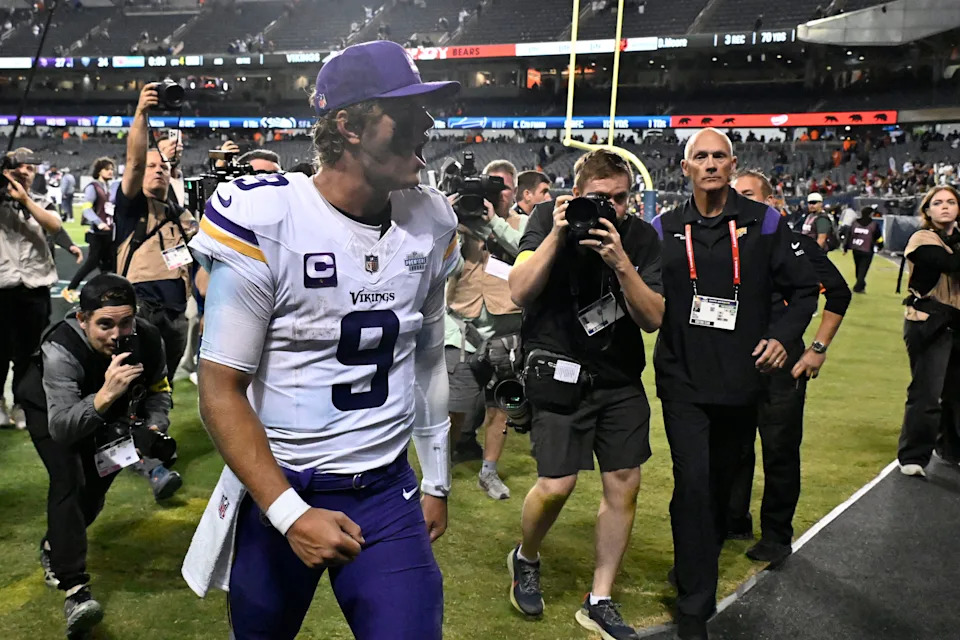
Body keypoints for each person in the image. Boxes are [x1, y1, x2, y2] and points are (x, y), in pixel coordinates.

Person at [181, 40, 460, 640]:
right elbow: (219, 387)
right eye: (405, 113)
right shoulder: (270, 218)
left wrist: (436, 479)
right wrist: (288, 513)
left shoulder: (432, 221)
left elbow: (428, 358)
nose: (427, 126)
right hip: (281, 482)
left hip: (386, 488)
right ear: (348, 126)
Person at [651, 129, 819, 640]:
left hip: (742, 380)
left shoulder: (764, 222)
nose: (710, 163)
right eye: (700, 156)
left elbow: (804, 289)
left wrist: (783, 338)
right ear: (685, 168)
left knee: (720, 487)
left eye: (718, 156)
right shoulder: (663, 227)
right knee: (692, 482)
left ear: (732, 163)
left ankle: (694, 562)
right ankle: (694, 606)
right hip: (682, 378)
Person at [507, 149, 665, 640]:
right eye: (599, 198)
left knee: (625, 482)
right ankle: (526, 556)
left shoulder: (640, 237)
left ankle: (600, 598)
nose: (610, 208)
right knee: (556, 485)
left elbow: (653, 318)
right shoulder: (546, 218)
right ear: (575, 194)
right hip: (558, 374)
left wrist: (621, 262)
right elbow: (519, 291)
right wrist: (557, 234)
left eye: (620, 198)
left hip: (618, 378)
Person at [15, 274, 173, 638]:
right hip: (50, 411)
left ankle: (54, 545)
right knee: (69, 477)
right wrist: (105, 396)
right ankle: (75, 590)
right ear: (82, 319)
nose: (117, 334)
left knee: (96, 486)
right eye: (105, 325)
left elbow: (159, 390)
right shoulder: (60, 348)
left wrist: (153, 427)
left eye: (126, 322)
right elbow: (63, 428)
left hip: (107, 407)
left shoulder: (148, 338)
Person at [727, 169, 851, 565]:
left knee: (779, 450)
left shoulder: (796, 244)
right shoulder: (724, 244)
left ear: (770, 202)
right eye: (734, 195)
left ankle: (776, 536)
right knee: (733, 446)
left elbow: (838, 293)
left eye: (748, 194)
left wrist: (817, 349)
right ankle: (734, 520)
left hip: (782, 365)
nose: (739, 202)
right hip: (734, 364)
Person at [444, 159, 525, 500]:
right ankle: (441, 472)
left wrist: (495, 224)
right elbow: (439, 263)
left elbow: (528, 253)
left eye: (501, 188)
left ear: (514, 191)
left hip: (506, 331)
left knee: (500, 408)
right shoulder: (457, 223)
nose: (495, 195)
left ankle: (488, 473)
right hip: (461, 330)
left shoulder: (523, 225)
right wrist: (448, 221)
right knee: (454, 409)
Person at [115, 83, 197, 394]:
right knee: (132, 386)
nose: (157, 170)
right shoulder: (132, 207)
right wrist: (140, 114)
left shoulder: (178, 213)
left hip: (176, 312)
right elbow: (135, 163)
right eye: (152, 166)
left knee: (163, 388)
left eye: (163, 166)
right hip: (140, 308)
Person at [0, 148, 66, 430]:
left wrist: (24, 200)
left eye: (30, 168)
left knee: (28, 354)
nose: (24, 173)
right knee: (0, 351)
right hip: (3, 286)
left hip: (34, 288)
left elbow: (54, 226)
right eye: (18, 168)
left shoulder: (42, 201)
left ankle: (21, 403)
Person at [897, 185, 960, 477]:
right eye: (937, 202)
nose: (944, 206)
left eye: (951, 201)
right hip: (928, 322)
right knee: (927, 392)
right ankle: (913, 456)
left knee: (955, 394)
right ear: (927, 210)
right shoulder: (922, 238)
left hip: (957, 322)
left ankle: (951, 449)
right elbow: (949, 263)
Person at [63, 157, 117, 303]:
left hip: (109, 233)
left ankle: (108, 292)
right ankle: (70, 289)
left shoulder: (109, 187)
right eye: (107, 169)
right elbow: (86, 208)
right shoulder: (93, 187)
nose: (111, 172)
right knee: (92, 262)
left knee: (109, 265)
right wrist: (98, 222)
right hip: (97, 233)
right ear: (99, 171)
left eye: (112, 169)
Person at [844, 206, 883, 294]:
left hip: (856, 248)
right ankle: (858, 286)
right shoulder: (874, 224)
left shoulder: (855, 223)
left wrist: (846, 247)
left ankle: (861, 285)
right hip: (867, 250)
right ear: (870, 214)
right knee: (863, 269)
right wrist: (880, 245)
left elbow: (849, 235)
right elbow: (878, 237)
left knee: (858, 267)